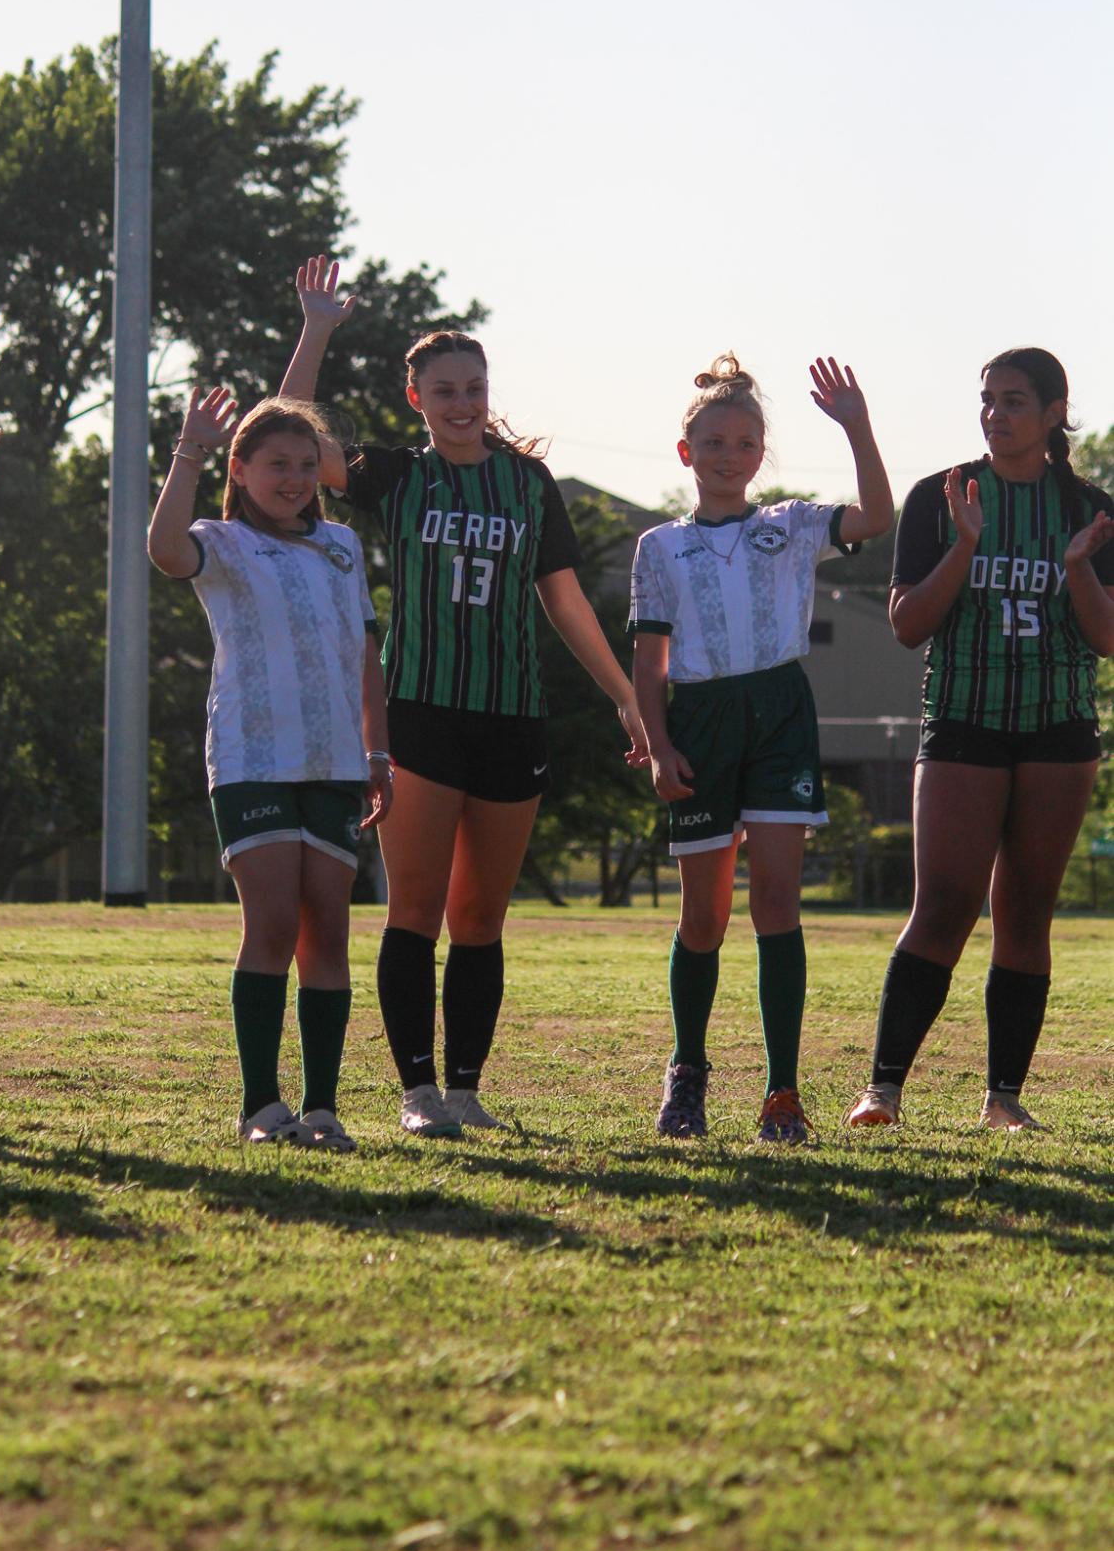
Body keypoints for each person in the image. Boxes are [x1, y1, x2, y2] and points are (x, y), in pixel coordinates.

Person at [280, 256, 646, 1138]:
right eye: (443, 389)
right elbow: (283, 439)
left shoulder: (527, 484)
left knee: (480, 916)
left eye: (474, 386)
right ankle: (415, 1091)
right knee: (415, 909)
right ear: (416, 398)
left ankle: (467, 1085)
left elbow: (563, 601)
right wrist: (318, 328)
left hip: (511, 716)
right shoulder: (395, 475)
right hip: (421, 716)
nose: (462, 402)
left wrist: (627, 697)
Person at [847, 347, 1114, 1132]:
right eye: (988, 400)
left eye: (1015, 400)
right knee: (946, 905)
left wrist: (1078, 570)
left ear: (1056, 412)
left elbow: (1107, 639)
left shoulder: (1090, 509)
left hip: (1057, 729)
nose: (996, 414)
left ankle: (1003, 1099)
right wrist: (965, 544)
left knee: (1026, 913)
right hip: (965, 720)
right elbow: (904, 626)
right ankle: (882, 1091)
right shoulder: (942, 496)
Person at [630, 353, 892, 1144]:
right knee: (703, 916)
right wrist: (657, 745)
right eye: (713, 440)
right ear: (687, 451)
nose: (729, 454)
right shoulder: (660, 547)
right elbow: (649, 661)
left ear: (761, 453)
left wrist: (857, 425)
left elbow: (876, 515)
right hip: (702, 722)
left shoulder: (790, 524)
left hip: (781, 713)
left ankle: (783, 1091)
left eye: (745, 441)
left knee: (777, 904)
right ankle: (688, 1076)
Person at [148, 390, 393, 1152]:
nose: (292, 478)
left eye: (303, 465)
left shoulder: (343, 547)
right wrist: (185, 451)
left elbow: (365, 654)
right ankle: (261, 1107)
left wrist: (377, 753)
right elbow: (162, 550)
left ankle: (322, 1109)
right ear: (241, 470)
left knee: (329, 926)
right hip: (253, 757)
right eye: (275, 464)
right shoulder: (218, 540)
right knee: (275, 923)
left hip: (335, 761)